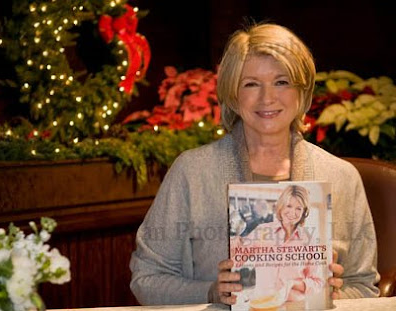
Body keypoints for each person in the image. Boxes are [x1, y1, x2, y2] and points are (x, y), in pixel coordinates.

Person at [129, 22, 380, 306]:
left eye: (282, 82)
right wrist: (212, 292)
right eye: (251, 84)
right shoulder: (192, 172)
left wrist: (330, 295)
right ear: (234, 96)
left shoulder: (341, 177)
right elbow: (147, 279)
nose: (267, 98)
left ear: (302, 91)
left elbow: (364, 287)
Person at [238, 185, 325, 303]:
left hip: (293, 306)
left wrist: (295, 284)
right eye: (289, 206)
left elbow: (318, 282)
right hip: (262, 304)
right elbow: (239, 256)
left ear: (304, 212)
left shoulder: (309, 241)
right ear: (281, 206)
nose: (292, 212)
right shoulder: (262, 231)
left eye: (299, 208)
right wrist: (235, 242)